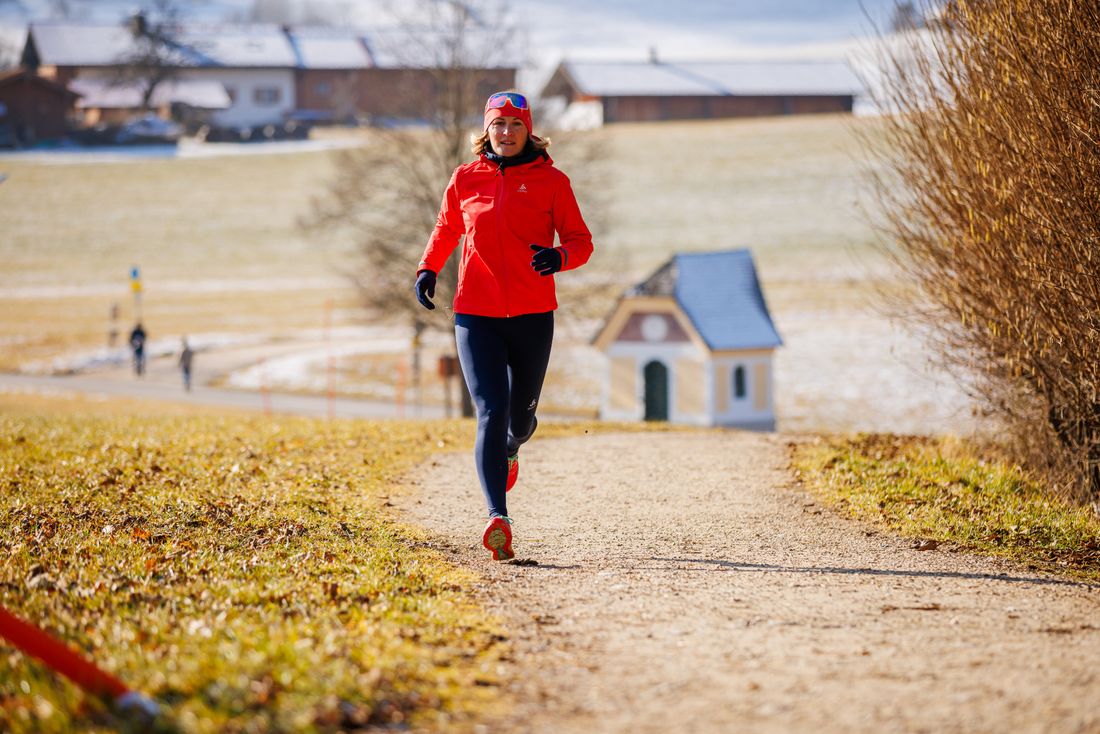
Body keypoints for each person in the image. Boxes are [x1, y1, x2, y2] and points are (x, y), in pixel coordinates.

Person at [414, 90, 594, 561]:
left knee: (518, 418)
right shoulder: (465, 177)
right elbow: (447, 226)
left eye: (516, 126)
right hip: (476, 313)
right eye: (499, 125)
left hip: (534, 315)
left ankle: (514, 445)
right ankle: (498, 516)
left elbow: (581, 240)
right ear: (487, 130)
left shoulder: (552, 181)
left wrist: (560, 257)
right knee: (490, 411)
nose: (507, 133)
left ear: (528, 130)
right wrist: (428, 268)